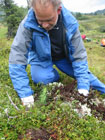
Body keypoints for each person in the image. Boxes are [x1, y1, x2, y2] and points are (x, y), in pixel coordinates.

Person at [9, 0, 105, 107]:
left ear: (58, 10)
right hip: (41, 58)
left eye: (49, 20)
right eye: (40, 20)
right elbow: (17, 57)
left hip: (63, 57)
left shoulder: (70, 23)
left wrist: (83, 86)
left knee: (90, 81)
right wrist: (24, 94)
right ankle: (53, 76)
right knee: (41, 79)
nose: (45, 25)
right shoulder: (27, 24)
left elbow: (79, 56)